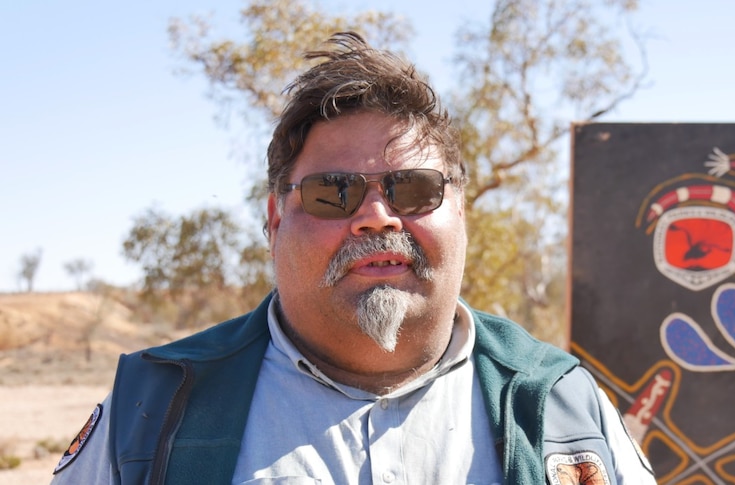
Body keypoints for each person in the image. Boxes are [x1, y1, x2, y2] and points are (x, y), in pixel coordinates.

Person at [51, 32, 656, 485]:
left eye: (414, 189)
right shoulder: (154, 406)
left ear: (462, 213)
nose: (377, 217)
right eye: (333, 192)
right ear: (274, 220)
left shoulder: (559, 403)